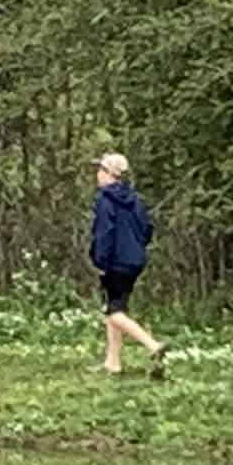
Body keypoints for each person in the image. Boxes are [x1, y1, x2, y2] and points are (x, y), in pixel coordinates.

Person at [89, 152, 167, 376]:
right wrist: (137, 248)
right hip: (135, 260)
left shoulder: (104, 200)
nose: (97, 174)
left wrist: (100, 260)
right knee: (116, 306)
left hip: (115, 262)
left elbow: (105, 233)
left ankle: (153, 346)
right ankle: (113, 362)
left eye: (100, 170)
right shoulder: (134, 199)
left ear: (107, 174)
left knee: (114, 312)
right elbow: (147, 228)